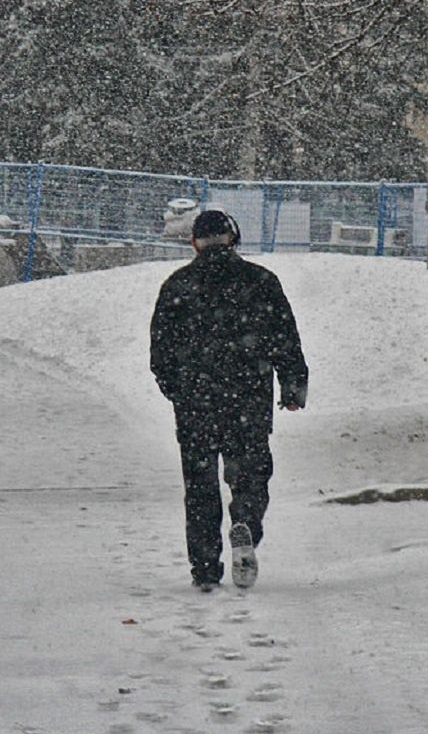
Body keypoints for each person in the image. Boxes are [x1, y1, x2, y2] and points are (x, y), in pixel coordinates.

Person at [150, 209, 308, 591]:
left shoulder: (178, 285)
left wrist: (179, 390)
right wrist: (292, 385)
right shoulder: (261, 283)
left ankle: (205, 568)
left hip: (197, 404)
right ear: (233, 240)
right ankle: (246, 524)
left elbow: (161, 351)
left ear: (194, 243)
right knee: (251, 474)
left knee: (201, 486)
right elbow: (284, 338)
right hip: (247, 399)